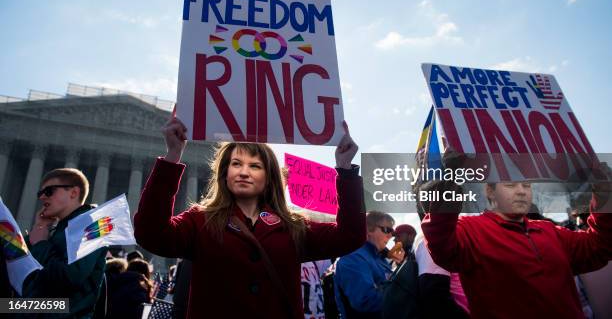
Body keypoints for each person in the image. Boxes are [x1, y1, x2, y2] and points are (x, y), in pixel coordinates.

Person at [134, 117, 365, 318]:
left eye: (255, 166)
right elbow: (152, 234)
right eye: (236, 164)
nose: (244, 172)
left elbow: (350, 236)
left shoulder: (293, 227)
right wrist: (172, 157)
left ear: (270, 177)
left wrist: (345, 170)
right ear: (225, 174)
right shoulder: (200, 220)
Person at [421, 160, 612, 319]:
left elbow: (599, 247)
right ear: (490, 191)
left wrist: (605, 198)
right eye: (510, 185)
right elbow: (443, 248)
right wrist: (444, 199)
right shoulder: (469, 228)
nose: (521, 191)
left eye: (526, 185)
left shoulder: (550, 231)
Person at [23, 168, 107, 318]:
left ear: (73, 193)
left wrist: (40, 244)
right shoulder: (57, 230)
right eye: (40, 193)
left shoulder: (93, 225)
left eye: (49, 191)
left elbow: (69, 277)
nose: (42, 197)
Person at [334, 211, 404, 318]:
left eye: (392, 231)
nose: (390, 235)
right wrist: (404, 294)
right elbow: (366, 301)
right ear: (368, 229)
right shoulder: (353, 257)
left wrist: (400, 266)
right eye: (387, 230)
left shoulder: (381, 259)